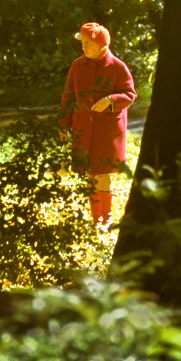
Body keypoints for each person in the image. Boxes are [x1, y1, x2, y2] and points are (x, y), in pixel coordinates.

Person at [59, 22, 137, 226]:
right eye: (82, 43)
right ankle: (96, 218)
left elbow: (130, 94)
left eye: (87, 43)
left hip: (107, 131)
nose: (83, 47)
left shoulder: (118, 67)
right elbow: (68, 96)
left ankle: (107, 216)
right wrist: (63, 124)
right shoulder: (77, 65)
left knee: (102, 174)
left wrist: (111, 101)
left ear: (102, 46)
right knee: (90, 174)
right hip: (83, 127)